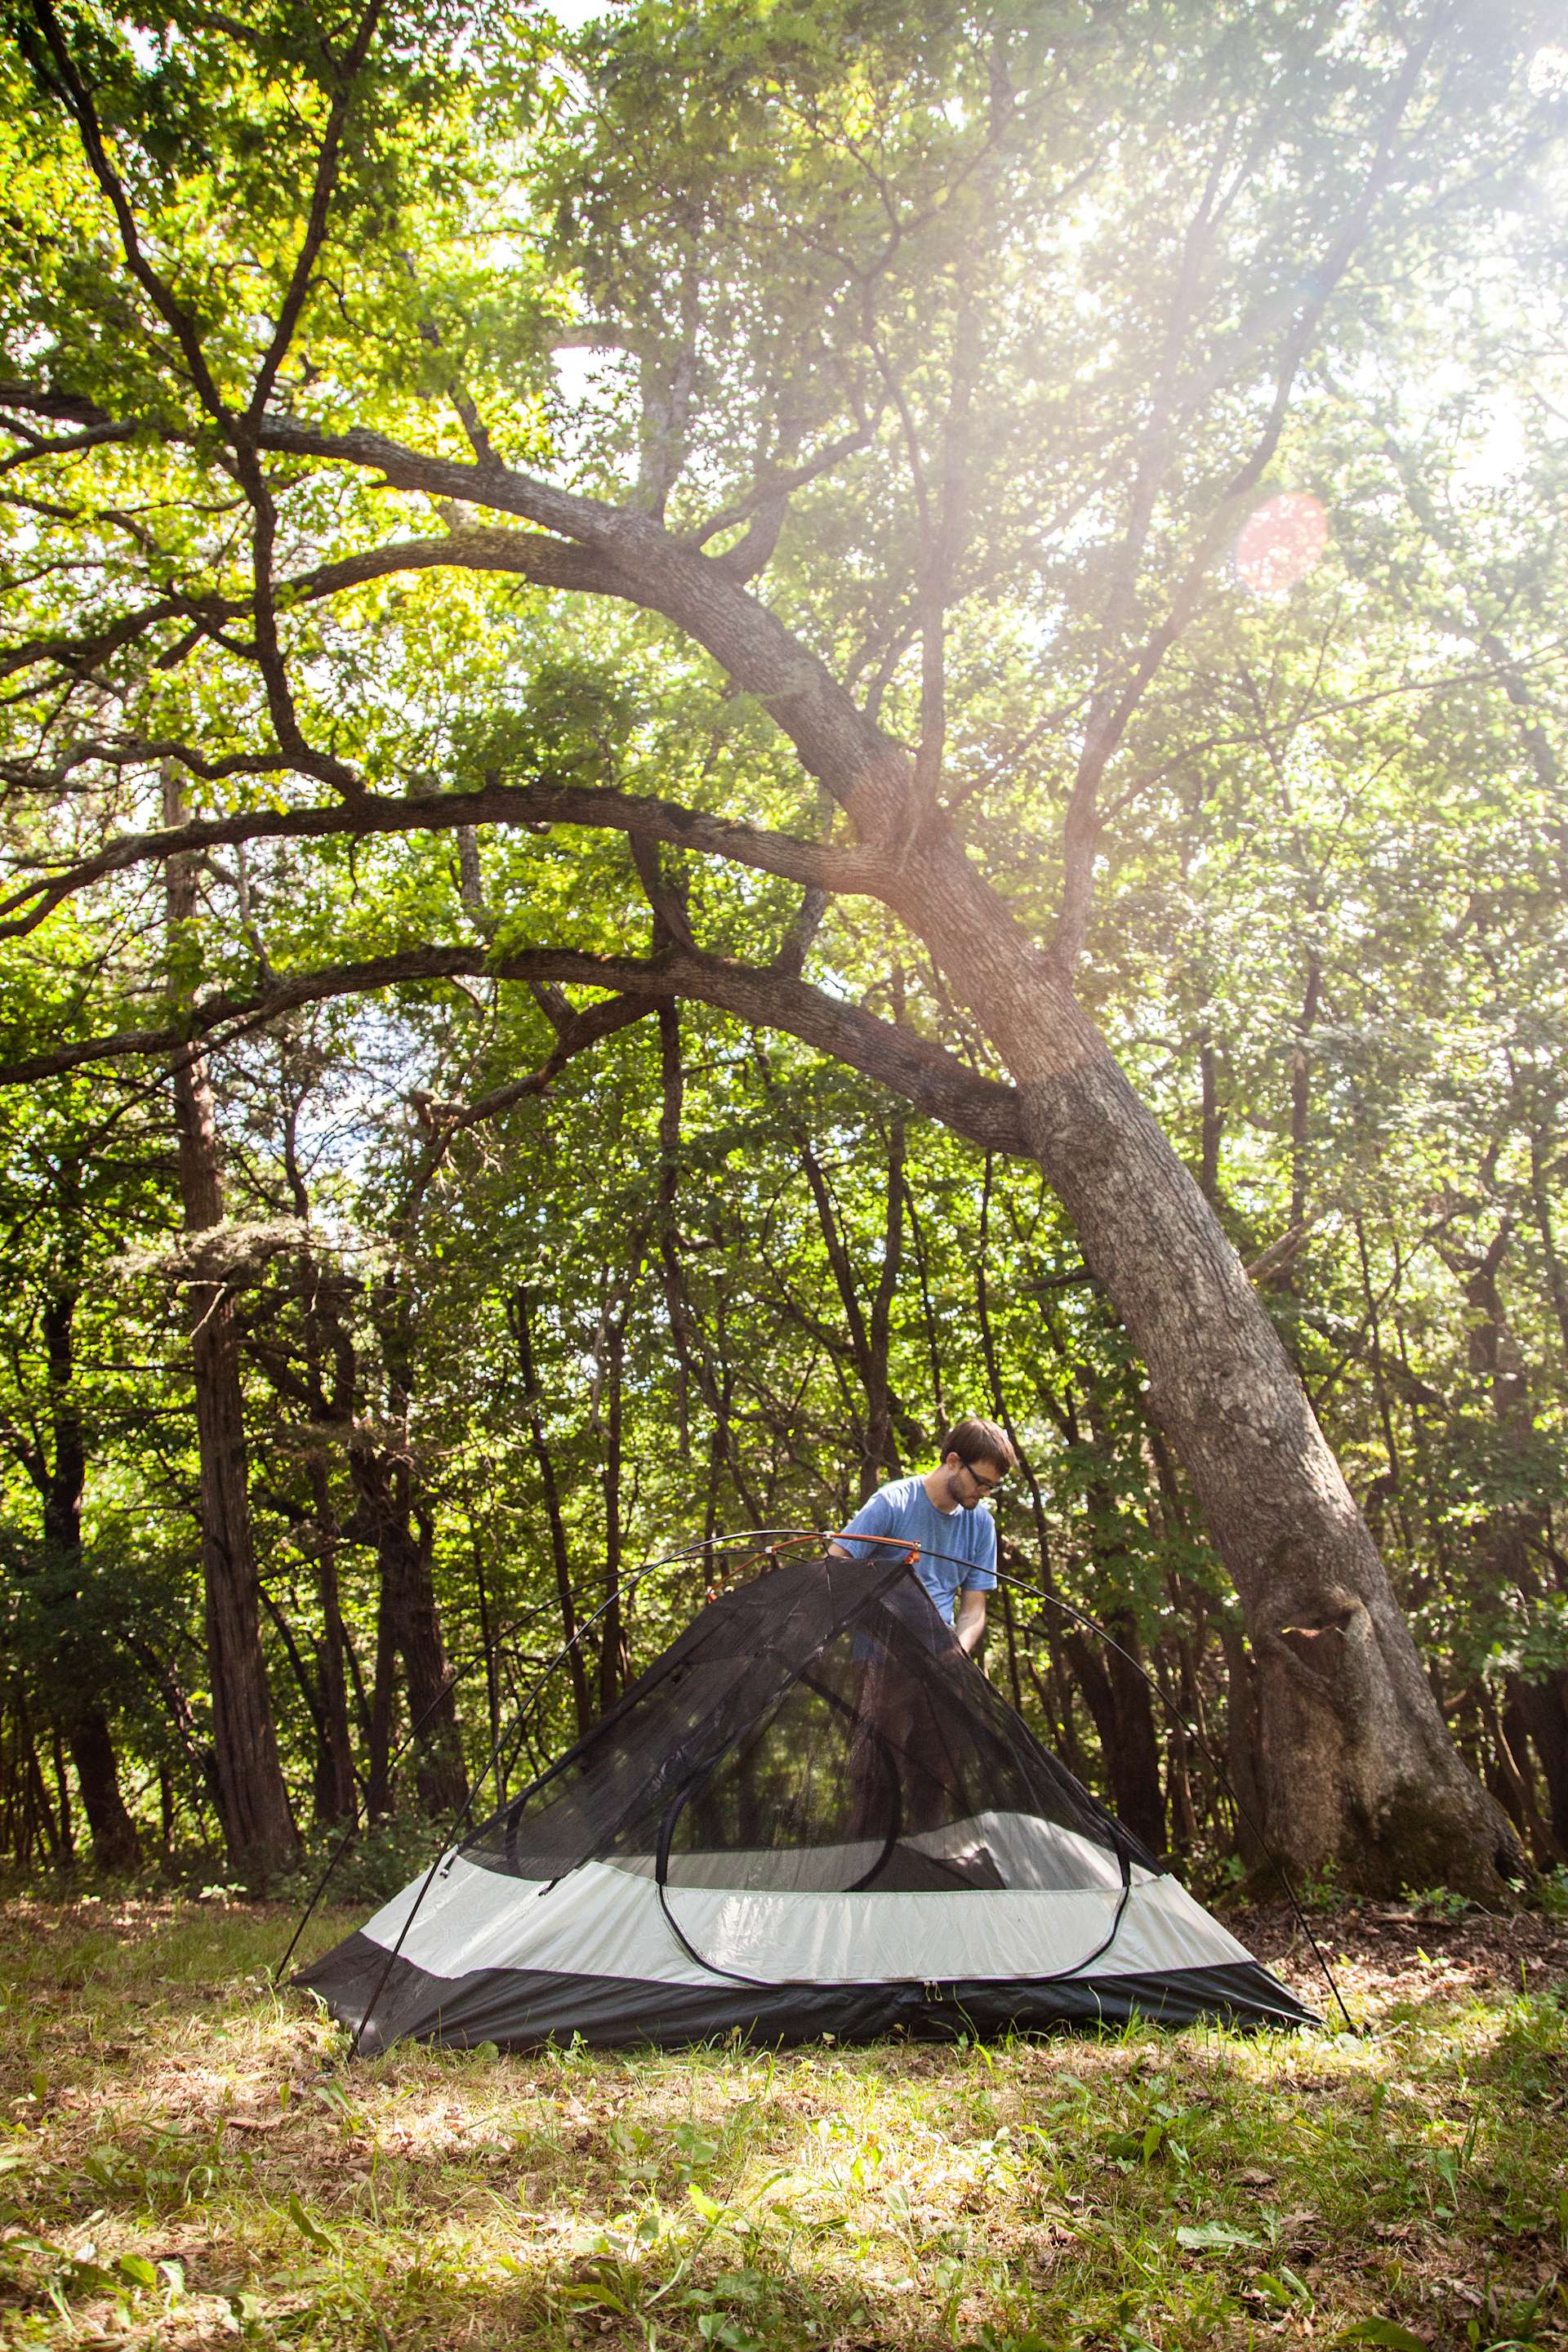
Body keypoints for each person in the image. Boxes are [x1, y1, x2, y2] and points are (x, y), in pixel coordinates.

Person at [829, 1417, 1015, 1657]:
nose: (986, 1493)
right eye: (982, 1483)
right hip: (878, 1651)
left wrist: (958, 1652)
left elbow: (974, 1608)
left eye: (992, 1487)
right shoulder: (893, 1503)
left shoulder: (982, 1525)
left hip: (938, 1656)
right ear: (953, 1462)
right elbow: (834, 1562)